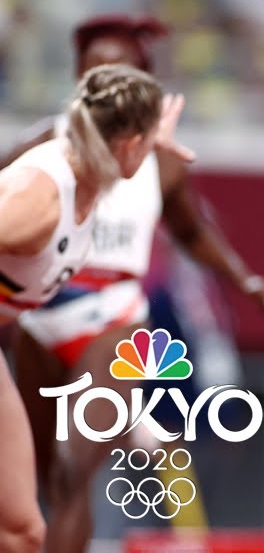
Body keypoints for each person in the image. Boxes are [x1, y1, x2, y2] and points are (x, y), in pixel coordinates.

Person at [5, 15, 264, 553]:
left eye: (121, 78)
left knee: (71, 470)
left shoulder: (155, 161)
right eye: (96, 78)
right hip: (39, 320)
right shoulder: (41, 163)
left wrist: (244, 280)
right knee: (37, 488)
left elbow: (191, 230)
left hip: (113, 321)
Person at [1, 64, 183, 553]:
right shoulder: (40, 197)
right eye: (145, 145)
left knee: (22, 532)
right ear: (129, 146)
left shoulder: (94, 175)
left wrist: (151, 142)